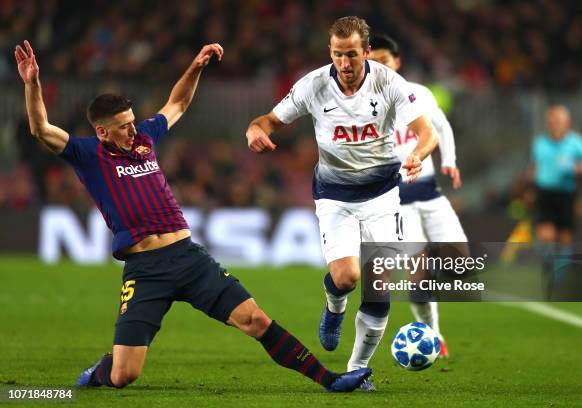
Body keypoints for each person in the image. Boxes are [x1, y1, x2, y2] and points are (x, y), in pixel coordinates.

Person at [15, 39, 371, 392]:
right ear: (102, 131)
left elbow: (178, 103)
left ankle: (330, 380)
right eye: (123, 126)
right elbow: (41, 129)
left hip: (188, 257)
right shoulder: (87, 153)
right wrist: (33, 84)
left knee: (255, 319)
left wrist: (196, 66)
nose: (133, 130)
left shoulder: (145, 139)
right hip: (145, 270)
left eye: (133, 121)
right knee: (125, 375)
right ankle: (100, 372)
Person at [245, 17, 438, 391]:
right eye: (337, 55)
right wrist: (256, 130)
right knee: (347, 278)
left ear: (366, 52)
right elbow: (268, 119)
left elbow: (425, 132)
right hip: (335, 197)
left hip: (383, 195)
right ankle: (334, 306)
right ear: (330, 53)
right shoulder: (314, 85)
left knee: (379, 283)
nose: (345, 64)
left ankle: (357, 368)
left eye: (352, 54)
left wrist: (418, 153)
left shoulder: (388, 82)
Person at [369, 34, 469, 359]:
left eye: (384, 61)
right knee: (419, 272)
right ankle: (434, 336)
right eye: (373, 62)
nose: (379, 67)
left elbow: (441, 127)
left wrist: (450, 162)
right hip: (397, 200)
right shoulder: (363, 104)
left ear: (396, 63)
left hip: (430, 193)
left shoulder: (420, 94)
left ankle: (422, 285)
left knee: (461, 263)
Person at [530, 105, 582, 244]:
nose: (554, 125)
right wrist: (530, 189)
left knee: (564, 236)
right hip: (545, 193)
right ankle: (549, 263)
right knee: (546, 235)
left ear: (567, 123)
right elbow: (534, 167)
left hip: (566, 193)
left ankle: (562, 264)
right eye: (551, 122)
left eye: (558, 121)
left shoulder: (577, 143)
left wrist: (573, 166)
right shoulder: (540, 143)